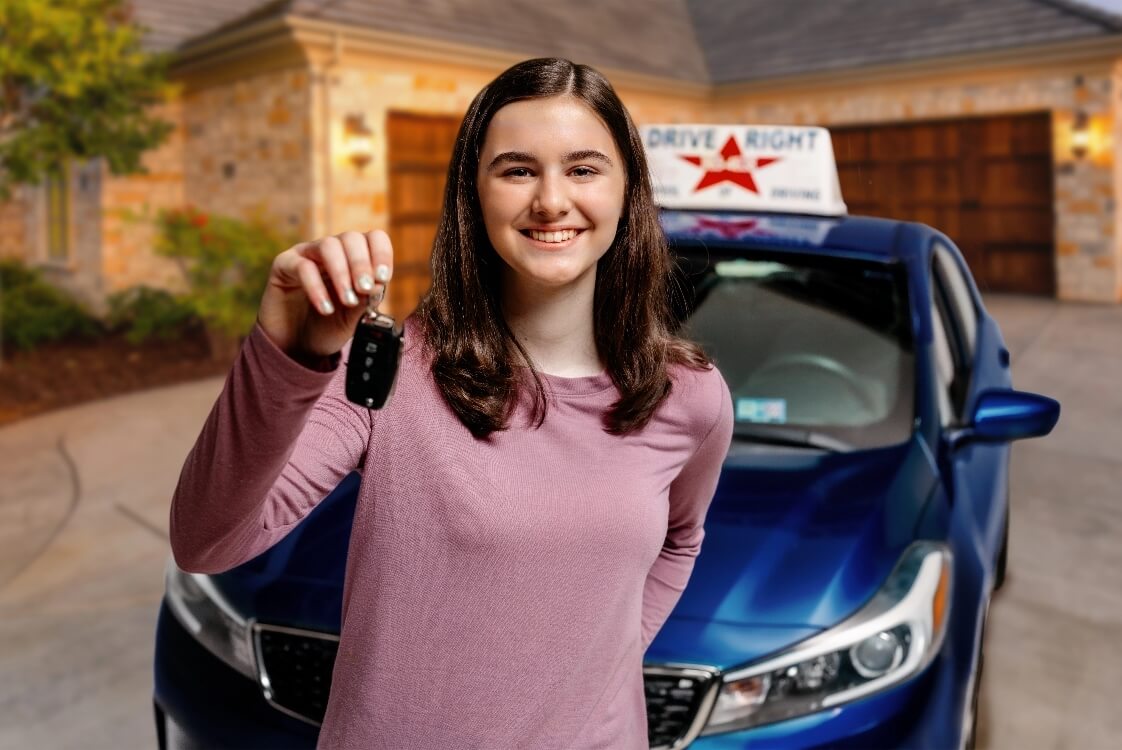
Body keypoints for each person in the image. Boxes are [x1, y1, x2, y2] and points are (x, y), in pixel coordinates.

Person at [169, 57, 733, 750]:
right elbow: (206, 541)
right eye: (517, 170)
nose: (551, 200)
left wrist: (600, 666)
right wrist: (289, 356)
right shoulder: (392, 373)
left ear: (627, 192)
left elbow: (682, 539)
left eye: (583, 169)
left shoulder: (691, 397)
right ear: (474, 194)